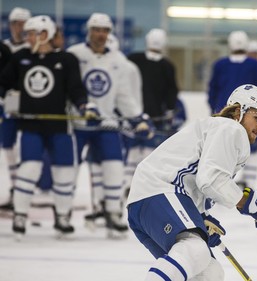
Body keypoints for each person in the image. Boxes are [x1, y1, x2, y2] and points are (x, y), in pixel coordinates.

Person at [127, 84, 257, 281]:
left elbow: (198, 180)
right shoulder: (230, 128)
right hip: (160, 190)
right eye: (256, 117)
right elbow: (211, 179)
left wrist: (201, 218)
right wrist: (249, 203)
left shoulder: (215, 130)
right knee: (196, 249)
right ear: (238, 111)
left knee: (209, 273)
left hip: (147, 200)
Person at [0, 15, 96, 238]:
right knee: (29, 169)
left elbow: (75, 89)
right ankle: (20, 215)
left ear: (45, 34)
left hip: (60, 127)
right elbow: (4, 83)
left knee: (64, 173)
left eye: (32, 33)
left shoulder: (67, 59)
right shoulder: (21, 57)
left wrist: (84, 105)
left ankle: (62, 216)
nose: (28, 37)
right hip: (31, 126)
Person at [67, 13, 153, 237]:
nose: (101, 34)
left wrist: (137, 116)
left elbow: (123, 95)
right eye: (97, 29)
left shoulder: (117, 60)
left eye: (105, 30)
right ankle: (63, 214)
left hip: (107, 124)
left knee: (115, 168)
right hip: (77, 125)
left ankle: (113, 213)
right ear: (89, 30)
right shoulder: (74, 55)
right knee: (67, 171)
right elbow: (68, 88)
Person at [208, 31, 257, 189]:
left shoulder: (220, 64)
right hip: (251, 115)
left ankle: (221, 185)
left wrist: (215, 108)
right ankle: (250, 185)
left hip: (225, 114)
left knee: (223, 148)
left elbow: (212, 90)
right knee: (252, 149)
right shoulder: (255, 65)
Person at [124, 28, 180, 194]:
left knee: (132, 152)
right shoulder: (167, 65)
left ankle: (128, 183)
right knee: (149, 153)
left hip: (132, 114)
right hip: (154, 117)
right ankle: (141, 186)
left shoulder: (133, 59)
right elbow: (172, 92)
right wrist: (170, 110)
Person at [0, 7, 31, 211]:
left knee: (26, 150)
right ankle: (14, 189)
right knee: (9, 148)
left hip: (30, 108)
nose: (19, 28)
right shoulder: (4, 48)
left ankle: (24, 190)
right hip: (6, 106)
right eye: (15, 23)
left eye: (23, 24)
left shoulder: (35, 51)